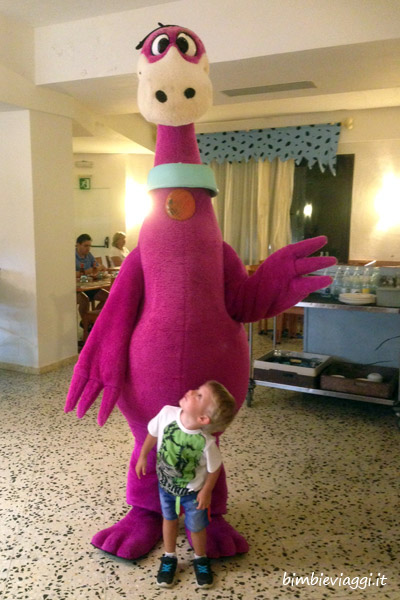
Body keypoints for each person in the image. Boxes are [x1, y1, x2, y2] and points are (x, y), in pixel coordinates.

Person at [135, 380, 236, 589]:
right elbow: (153, 433)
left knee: (197, 527)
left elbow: (214, 468)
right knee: (169, 519)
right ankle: (169, 556)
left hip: (193, 493)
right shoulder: (166, 414)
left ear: (203, 419)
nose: (190, 391)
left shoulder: (206, 442)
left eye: (199, 395)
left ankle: (200, 558)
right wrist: (143, 455)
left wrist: (206, 491)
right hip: (166, 487)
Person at [75, 234, 108, 321]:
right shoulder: (71, 256)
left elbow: (96, 266)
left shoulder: (89, 255)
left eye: (89, 246)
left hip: (89, 286)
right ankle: (85, 322)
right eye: (85, 246)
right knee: (84, 300)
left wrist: (100, 268)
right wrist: (87, 271)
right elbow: (69, 274)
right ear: (78, 245)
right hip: (77, 288)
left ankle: (93, 320)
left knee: (108, 297)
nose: (88, 248)